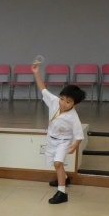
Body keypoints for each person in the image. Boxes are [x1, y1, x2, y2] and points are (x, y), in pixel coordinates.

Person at [32, 62, 86, 204]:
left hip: (64, 141)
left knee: (57, 163)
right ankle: (65, 178)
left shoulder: (73, 117)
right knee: (54, 163)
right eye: (62, 98)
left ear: (75, 104)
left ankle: (62, 193)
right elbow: (43, 89)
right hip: (51, 139)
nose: (63, 103)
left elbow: (79, 134)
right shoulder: (55, 102)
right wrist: (36, 73)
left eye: (68, 102)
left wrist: (75, 145)